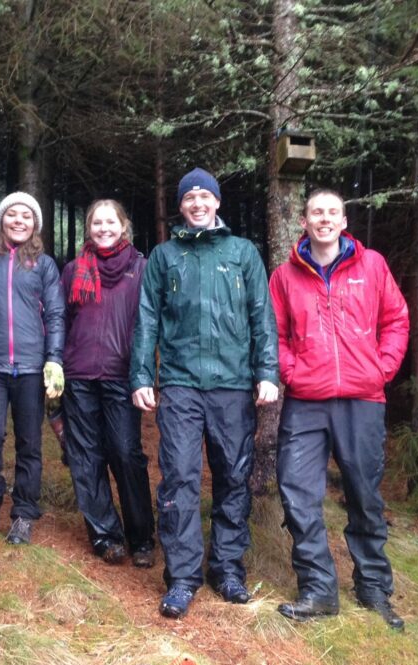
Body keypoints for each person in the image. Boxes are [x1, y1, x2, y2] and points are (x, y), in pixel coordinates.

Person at [129, 168, 279, 619]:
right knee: (179, 477)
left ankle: (227, 568)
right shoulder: (164, 256)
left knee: (234, 477)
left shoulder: (242, 253)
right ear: (181, 206)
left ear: (217, 203)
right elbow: (147, 319)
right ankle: (182, 577)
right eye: (189, 197)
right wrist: (141, 376)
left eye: (204, 196)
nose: (197, 203)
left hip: (233, 384)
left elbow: (261, 316)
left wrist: (266, 372)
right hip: (179, 384)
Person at [268, 189, 409, 630]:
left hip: (362, 400)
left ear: (344, 220)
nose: (324, 219)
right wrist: (293, 372)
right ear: (304, 221)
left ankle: (373, 588)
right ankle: (318, 589)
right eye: (316, 213)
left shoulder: (372, 266)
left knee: (364, 495)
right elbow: (274, 334)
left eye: (332, 212)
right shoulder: (286, 275)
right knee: (297, 494)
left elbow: (396, 321)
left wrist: (380, 369)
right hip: (306, 403)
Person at [0, 191, 65, 545]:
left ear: (35, 224)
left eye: (26, 216)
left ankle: (24, 511)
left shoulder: (45, 265)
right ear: (1, 220)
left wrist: (54, 358)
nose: (19, 221)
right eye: (12, 215)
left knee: (30, 442)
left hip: (31, 367)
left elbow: (54, 314)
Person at [61, 199, 155, 567]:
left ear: (124, 225)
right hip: (79, 376)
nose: (103, 228)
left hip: (122, 376)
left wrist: (144, 373)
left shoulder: (142, 269)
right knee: (86, 458)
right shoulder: (73, 270)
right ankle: (104, 534)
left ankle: (142, 536)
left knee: (126, 453)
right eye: (96, 223)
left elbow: (150, 325)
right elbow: (63, 319)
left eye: (110, 222)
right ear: (89, 228)